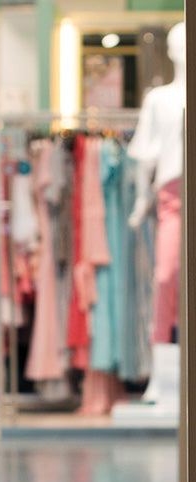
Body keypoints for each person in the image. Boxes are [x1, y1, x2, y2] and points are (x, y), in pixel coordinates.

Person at [127, 23, 184, 356]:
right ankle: (163, 358)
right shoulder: (159, 99)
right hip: (172, 196)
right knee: (165, 276)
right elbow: (144, 155)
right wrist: (139, 200)